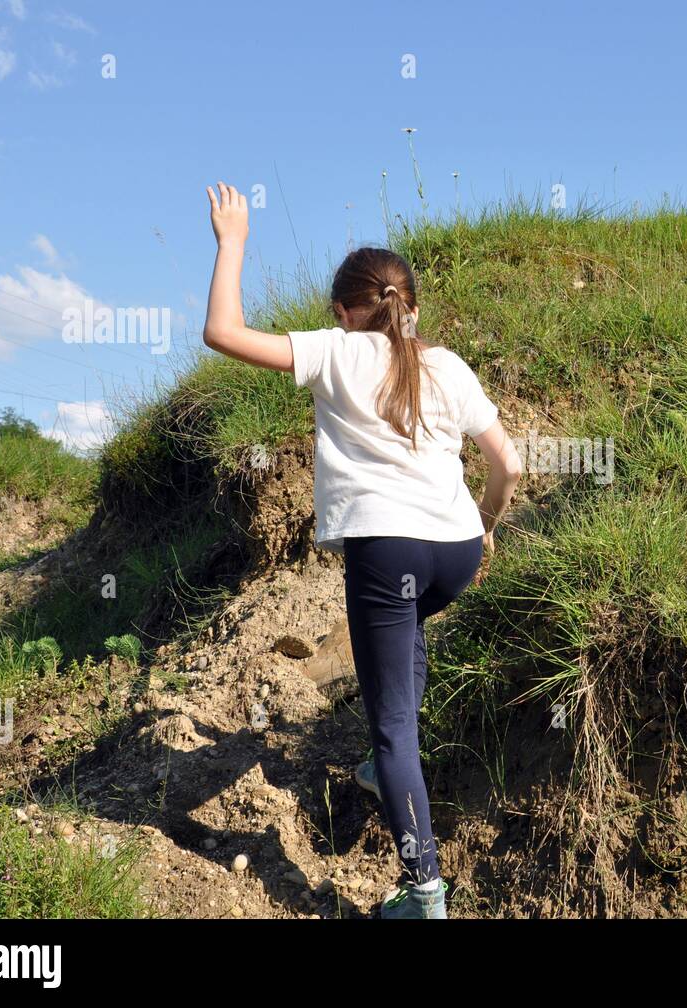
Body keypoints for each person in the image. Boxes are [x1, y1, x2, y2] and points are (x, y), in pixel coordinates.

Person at [202, 181, 522, 919]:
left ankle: (424, 892)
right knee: (404, 640)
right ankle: (389, 769)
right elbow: (508, 465)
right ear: (410, 305)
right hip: (456, 553)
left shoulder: (339, 353)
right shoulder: (448, 365)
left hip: (389, 553)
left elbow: (223, 332)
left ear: (348, 312)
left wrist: (233, 243)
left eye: (335, 312)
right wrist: (488, 524)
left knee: (391, 726)